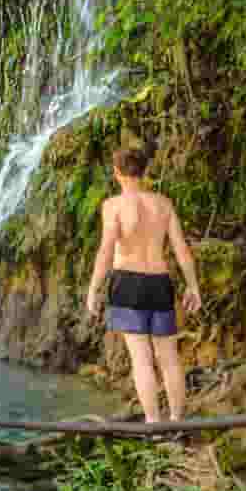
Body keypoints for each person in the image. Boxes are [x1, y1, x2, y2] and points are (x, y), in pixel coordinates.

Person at [86, 144, 202, 423]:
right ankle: (176, 421)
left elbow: (105, 250)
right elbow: (181, 248)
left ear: (116, 173)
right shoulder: (163, 204)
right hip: (159, 283)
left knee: (141, 359)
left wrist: (93, 288)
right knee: (169, 357)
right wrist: (193, 285)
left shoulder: (113, 206)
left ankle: (153, 424)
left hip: (127, 283)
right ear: (144, 171)